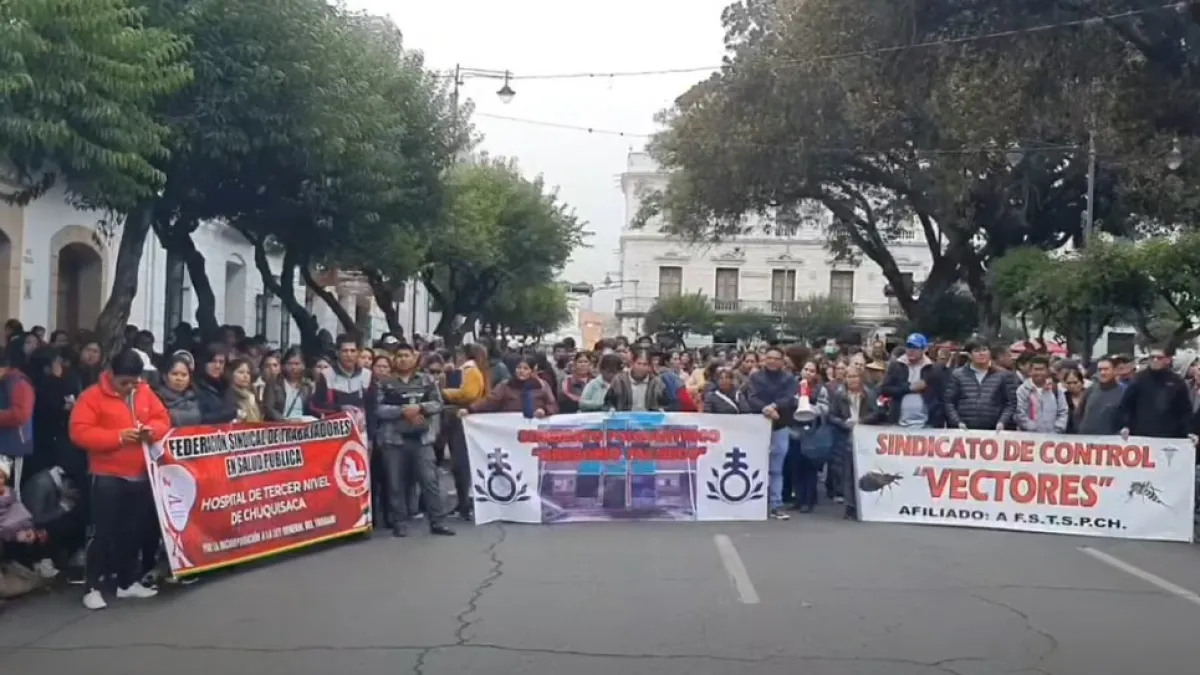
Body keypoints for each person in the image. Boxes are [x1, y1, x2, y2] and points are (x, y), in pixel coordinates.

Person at [69, 348, 171, 610]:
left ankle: (127, 582)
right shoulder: (91, 397)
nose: (129, 387)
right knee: (102, 532)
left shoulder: (145, 392)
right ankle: (92, 586)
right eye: (124, 382)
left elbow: (163, 419)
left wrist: (152, 432)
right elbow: (80, 433)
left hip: (139, 473)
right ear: (111, 375)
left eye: (133, 382)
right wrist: (117, 437)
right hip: (107, 474)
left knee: (132, 532)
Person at [372, 343, 454, 538]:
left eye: (406, 355)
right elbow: (378, 408)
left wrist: (419, 408)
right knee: (395, 482)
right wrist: (402, 411)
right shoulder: (385, 382)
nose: (402, 359)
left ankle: (437, 521)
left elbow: (438, 403)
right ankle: (399, 522)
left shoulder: (426, 380)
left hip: (422, 439)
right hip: (394, 440)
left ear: (414, 358)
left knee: (430, 481)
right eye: (399, 355)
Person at [746, 346, 800, 521]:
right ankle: (754, 501)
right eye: (769, 357)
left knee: (776, 469)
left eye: (776, 358)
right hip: (757, 426)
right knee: (755, 465)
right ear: (764, 359)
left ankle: (776, 504)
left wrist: (774, 407)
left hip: (780, 426)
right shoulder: (755, 377)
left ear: (782, 361)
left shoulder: (789, 379)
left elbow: (789, 398)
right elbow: (751, 397)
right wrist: (765, 409)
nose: (772, 361)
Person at [1118, 345, 1195, 440]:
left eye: (1159, 358)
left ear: (1168, 359)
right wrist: (1126, 426)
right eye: (1152, 357)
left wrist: (1188, 431)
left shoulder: (1177, 381)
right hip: (1141, 437)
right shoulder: (1139, 379)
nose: (1155, 360)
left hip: (1169, 438)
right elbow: (1126, 406)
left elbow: (1185, 410)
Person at [879, 333, 945, 429]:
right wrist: (909, 388)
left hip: (926, 425)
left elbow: (940, 397)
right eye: (909, 346)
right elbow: (884, 390)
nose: (911, 350)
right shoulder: (896, 366)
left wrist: (936, 421)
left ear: (924, 349)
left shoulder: (933, 368)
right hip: (898, 424)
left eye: (915, 347)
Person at [945, 341, 1014, 431]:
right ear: (969, 355)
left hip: (993, 430)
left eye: (984, 350)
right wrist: (957, 422)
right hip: (963, 430)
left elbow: (1010, 403)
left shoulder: (1003, 375)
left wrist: (1002, 422)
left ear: (990, 353)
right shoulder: (957, 375)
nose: (981, 354)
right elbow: (949, 402)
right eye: (977, 351)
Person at [462, 356, 558, 417]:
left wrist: (544, 410)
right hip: (510, 427)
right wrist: (469, 409)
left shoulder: (541, 385)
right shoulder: (506, 385)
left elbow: (553, 405)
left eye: (525, 368)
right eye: (519, 368)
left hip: (535, 429)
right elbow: (489, 400)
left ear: (532, 370)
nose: (521, 371)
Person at [0, 348, 35, 500]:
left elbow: (20, 415)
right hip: (5, 445)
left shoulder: (19, 384)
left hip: (11, 448)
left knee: (9, 494)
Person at [311, 334, 372, 415]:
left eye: (352, 351)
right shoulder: (327, 375)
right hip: (335, 423)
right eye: (345, 351)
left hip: (360, 425)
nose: (349, 355)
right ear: (337, 352)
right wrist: (340, 408)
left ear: (358, 353)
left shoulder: (367, 375)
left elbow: (372, 406)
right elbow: (316, 405)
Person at [1015, 356, 1069, 433]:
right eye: (1036, 369)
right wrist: (1034, 429)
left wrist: (1057, 429)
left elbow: (1063, 411)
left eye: (1042, 369)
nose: (1039, 373)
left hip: (1053, 438)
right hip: (1029, 438)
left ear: (1047, 371)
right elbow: (1019, 414)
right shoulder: (1022, 390)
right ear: (1030, 371)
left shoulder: (1055, 389)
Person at [261, 347, 314, 422]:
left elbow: (311, 410)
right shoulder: (274, 383)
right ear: (283, 366)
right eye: (290, 364)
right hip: (279, 427)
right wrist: (285, 420)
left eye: (297, 364)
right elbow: (268, 408)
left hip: (302, 427)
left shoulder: (307, 386)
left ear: (303, 366)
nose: (293, 367)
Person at [154, 355, 204, 427]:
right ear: (165, 376)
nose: (179, 378)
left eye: (184, 375)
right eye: (174, 374)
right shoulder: (156, 398)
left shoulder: (196, 397)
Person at [1078, 358, 1124, 435]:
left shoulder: (1123, 393)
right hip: (1086, 440)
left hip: (1110, 442)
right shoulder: (1090, 389)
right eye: (1100, 370)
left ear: (1114, 371)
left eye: (1106, 369)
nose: (1102, 372)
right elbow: (1079, 412)